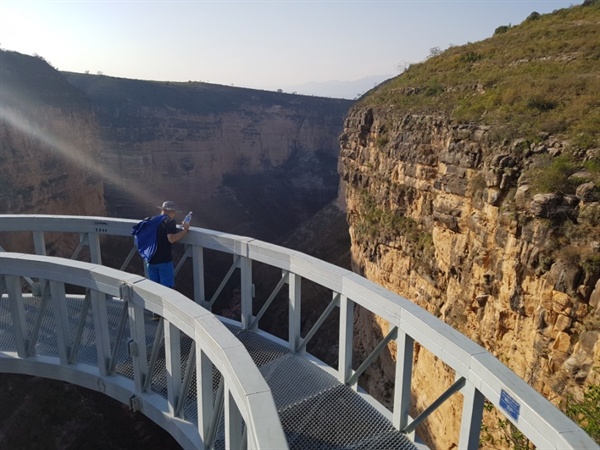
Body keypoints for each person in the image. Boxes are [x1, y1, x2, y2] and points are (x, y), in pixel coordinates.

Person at [146, 200, 190, 288]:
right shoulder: (170, 221)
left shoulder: (151, 219)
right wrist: (185, 230)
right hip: (163, 261)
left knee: (154, 289)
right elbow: (171, 239)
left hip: (150, 260)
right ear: (172, 212)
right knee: (166, 290)